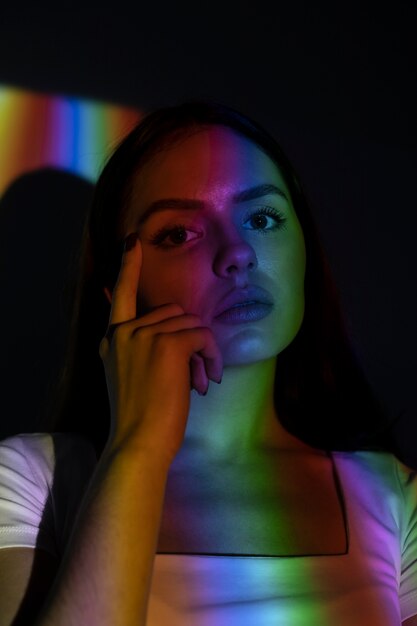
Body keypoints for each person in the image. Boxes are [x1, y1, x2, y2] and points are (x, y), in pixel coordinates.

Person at [0, 100, 416, 625]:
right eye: (179, 233)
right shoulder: (31, 482)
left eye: (263, 218)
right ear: (117, 292)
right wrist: (138, 449)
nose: (237, 252)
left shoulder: (395, 498)